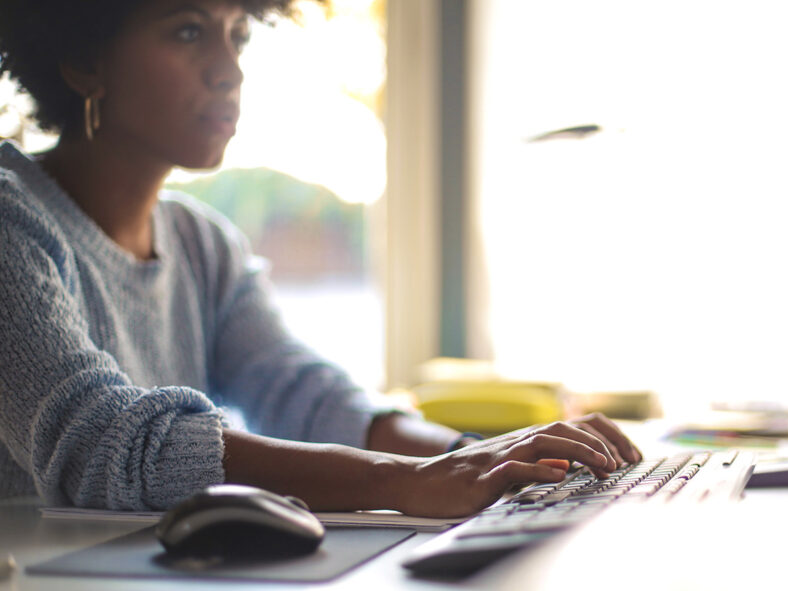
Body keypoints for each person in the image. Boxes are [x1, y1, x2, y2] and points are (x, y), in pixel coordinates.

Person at [0, 0, 641, 516]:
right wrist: (405, 480)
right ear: (84, 59)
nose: (229, 70)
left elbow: (304, 395)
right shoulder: (12, 218)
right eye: (190, 31)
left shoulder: (202, 245)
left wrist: (478, 455)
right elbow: (101, 441)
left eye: (239, 36)